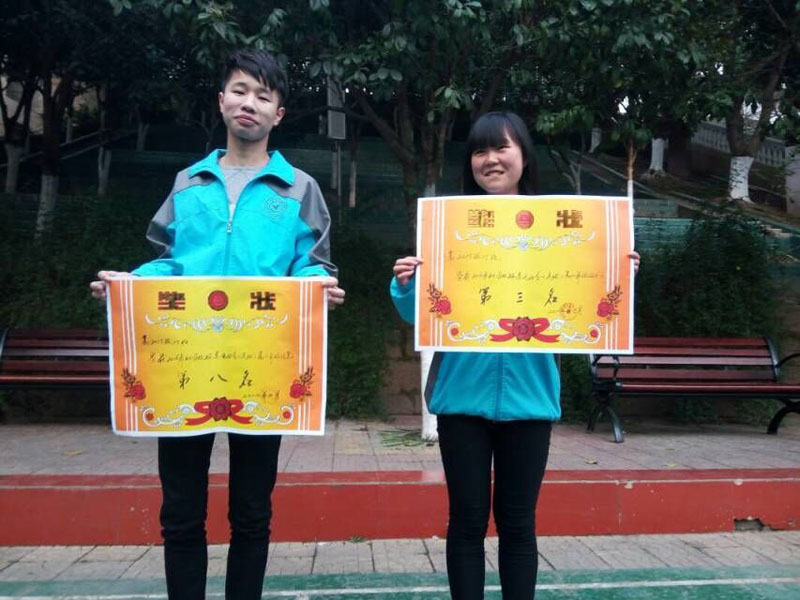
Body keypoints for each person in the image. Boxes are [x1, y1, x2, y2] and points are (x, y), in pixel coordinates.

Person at [90, 49, 344, 600]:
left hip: (264, 366)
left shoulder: (299, 188)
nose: (250, 103)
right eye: (240, 90)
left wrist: (318, 284)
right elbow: (168, 261)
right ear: (221, 100)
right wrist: (129, 282)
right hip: (185, 362)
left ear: (279, 113)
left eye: (263, 95)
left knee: (252, 511)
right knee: (181, 510)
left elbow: (310, 262)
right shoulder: (188, 182)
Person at [390, 111, 639, 599]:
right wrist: (405, 283)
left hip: (530, 400)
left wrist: (615, 272)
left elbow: (589, 306)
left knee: (518, 522)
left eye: (501, 147)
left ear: (524, 156)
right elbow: (418, 314)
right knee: (466, 520)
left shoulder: (565, 234)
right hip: (461, 399)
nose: (490, 159)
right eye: (479, 151)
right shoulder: (450, 229)